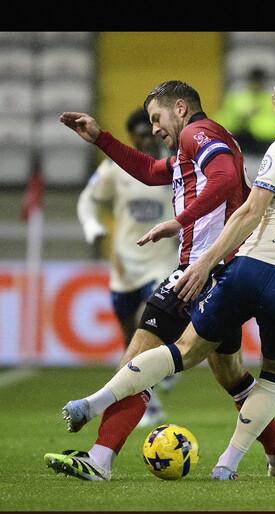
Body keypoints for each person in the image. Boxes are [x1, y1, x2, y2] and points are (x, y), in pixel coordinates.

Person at [60, 68, 275, 480]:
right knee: (234, 376)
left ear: (180, 108)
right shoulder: (203, 142)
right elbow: (153, 172)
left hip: (206, 267)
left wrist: (180, 222)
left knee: (139, 356)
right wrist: (101, 138)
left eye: (157, 118)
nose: (154, 129)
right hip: (247, 269)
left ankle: (100, 458)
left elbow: (226, 179)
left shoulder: (197, 133)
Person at [75, 108, 180, 428]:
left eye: (150, 134)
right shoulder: (114, 168)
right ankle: (152, 397)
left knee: (144, 325)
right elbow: (88, 199)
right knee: (128, 339)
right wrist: (92, 226)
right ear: (133, 138)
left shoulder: (175, 167)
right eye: (139, 136)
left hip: (161, 262)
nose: (146, 141)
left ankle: (161, 366)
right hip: (124, 265)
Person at [214, 67, 275, 158]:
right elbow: (223, 121)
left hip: (265, 142)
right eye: (254, 81)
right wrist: (241, 117)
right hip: (242, 139)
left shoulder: (273, 100)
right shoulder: (236, 99)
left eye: (259, 82)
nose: (256, 85)